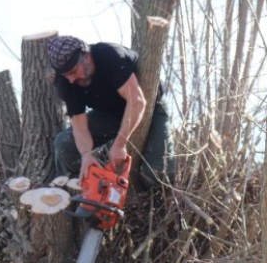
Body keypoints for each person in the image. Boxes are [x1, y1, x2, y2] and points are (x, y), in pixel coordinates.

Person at [47, 34, 175, 190]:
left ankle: (155, 203)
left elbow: (137, 102)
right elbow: (80, 127)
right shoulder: (65, 83)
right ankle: (91, 191)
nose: (72, 80)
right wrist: (86, 155)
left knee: (157, 174)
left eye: (74, 71)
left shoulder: (110, 56)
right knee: (64, 144)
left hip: (150, 109)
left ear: (86, 56)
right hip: (109, 115)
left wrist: (120, 144)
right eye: (67, 76)